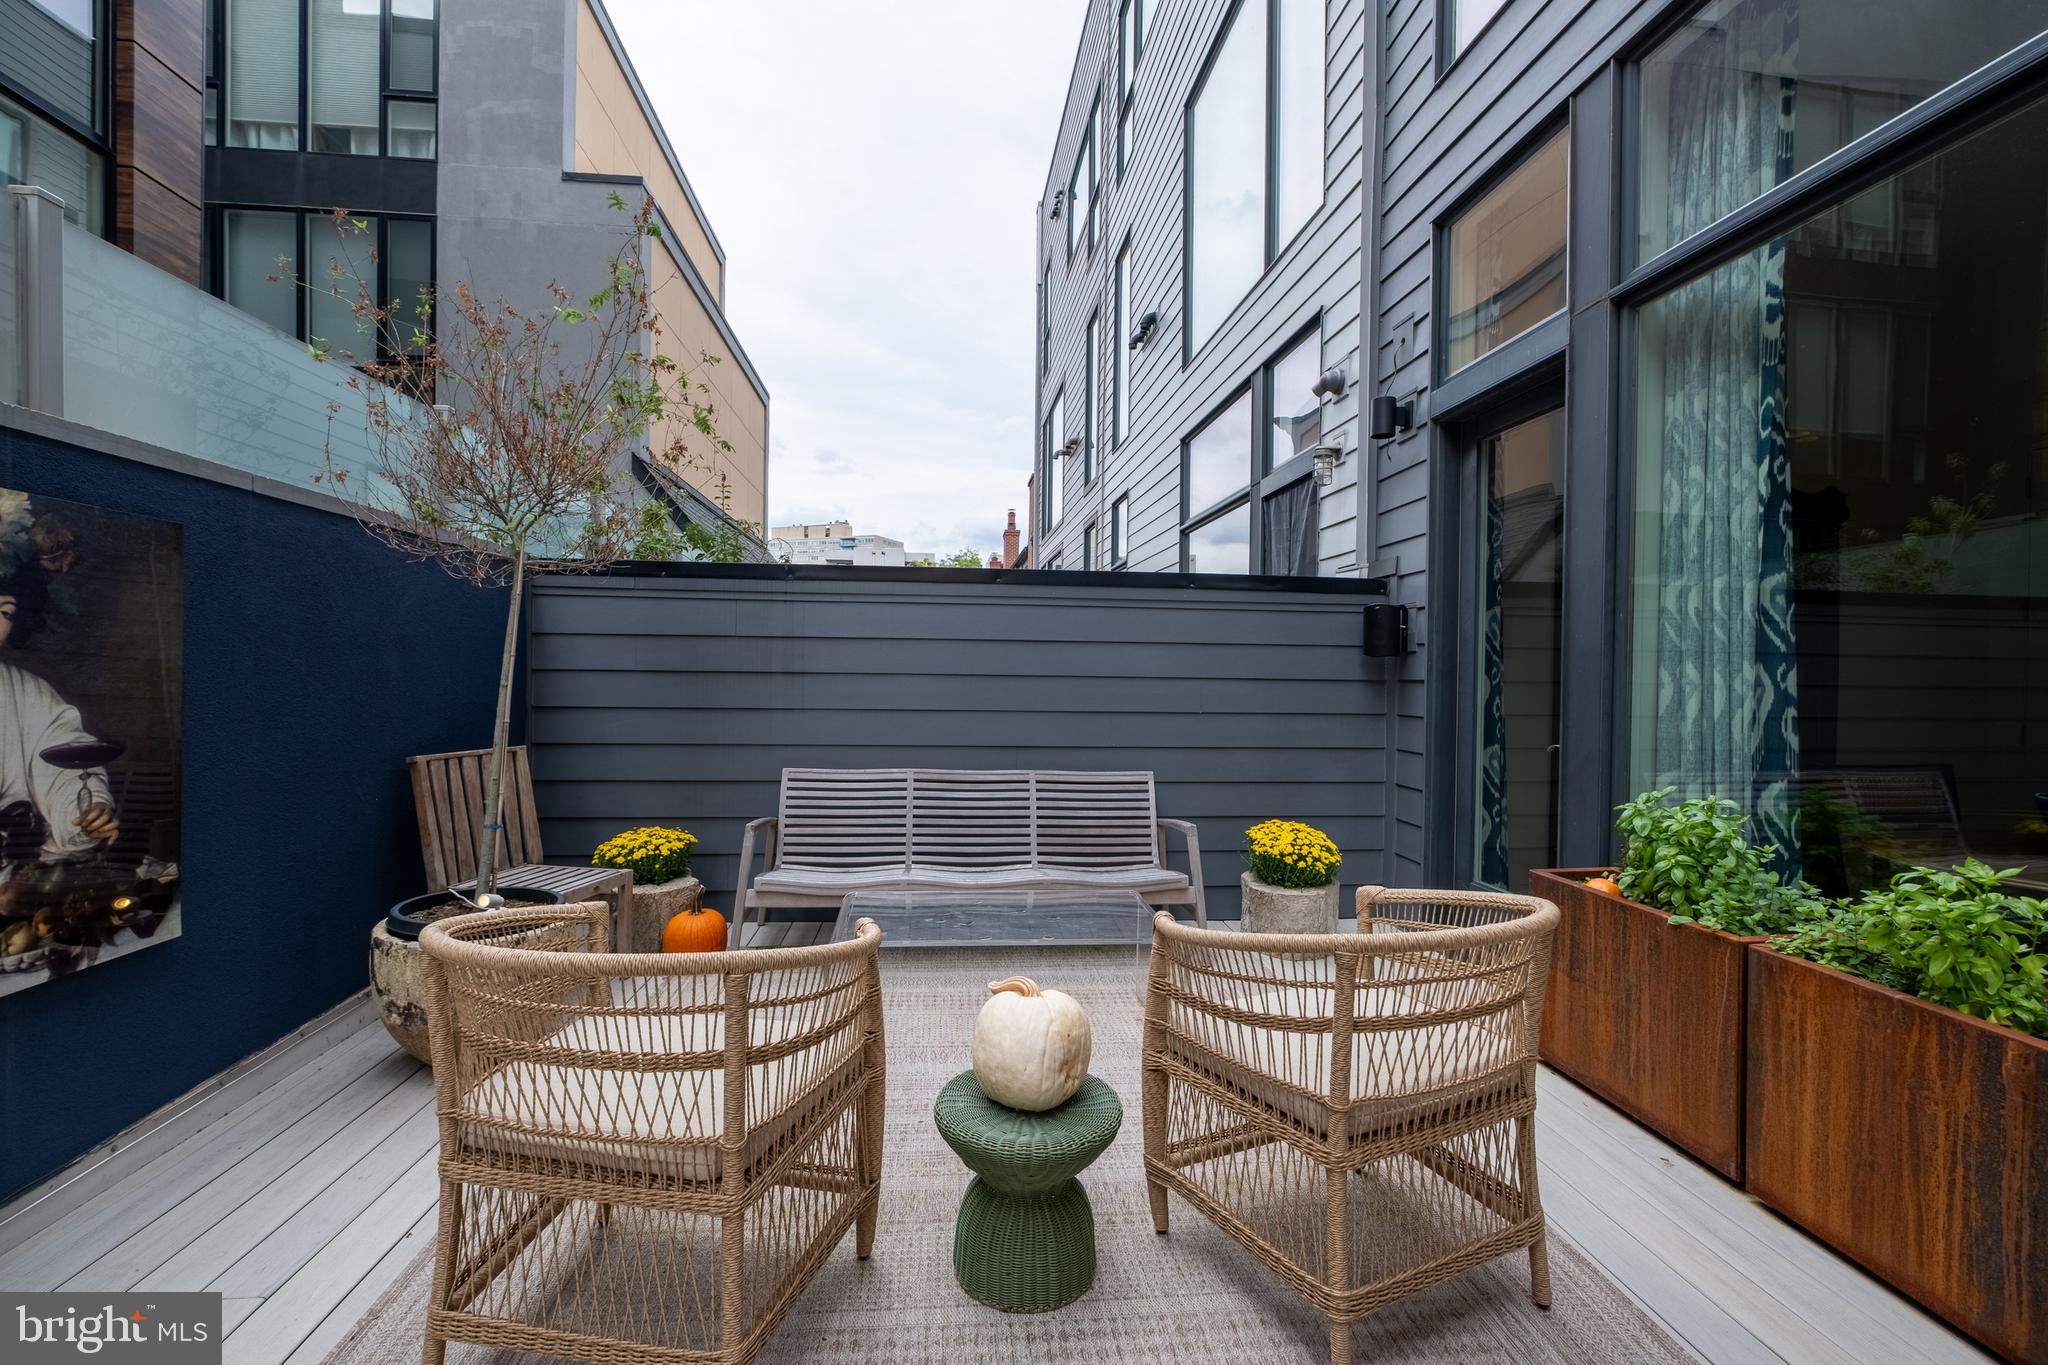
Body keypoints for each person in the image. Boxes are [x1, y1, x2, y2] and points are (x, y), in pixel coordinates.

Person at [0, 564, 119, 860]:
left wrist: (88, 812)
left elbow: (66, 761)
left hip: (15, 870)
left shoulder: (27, 691)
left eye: (5, 613)